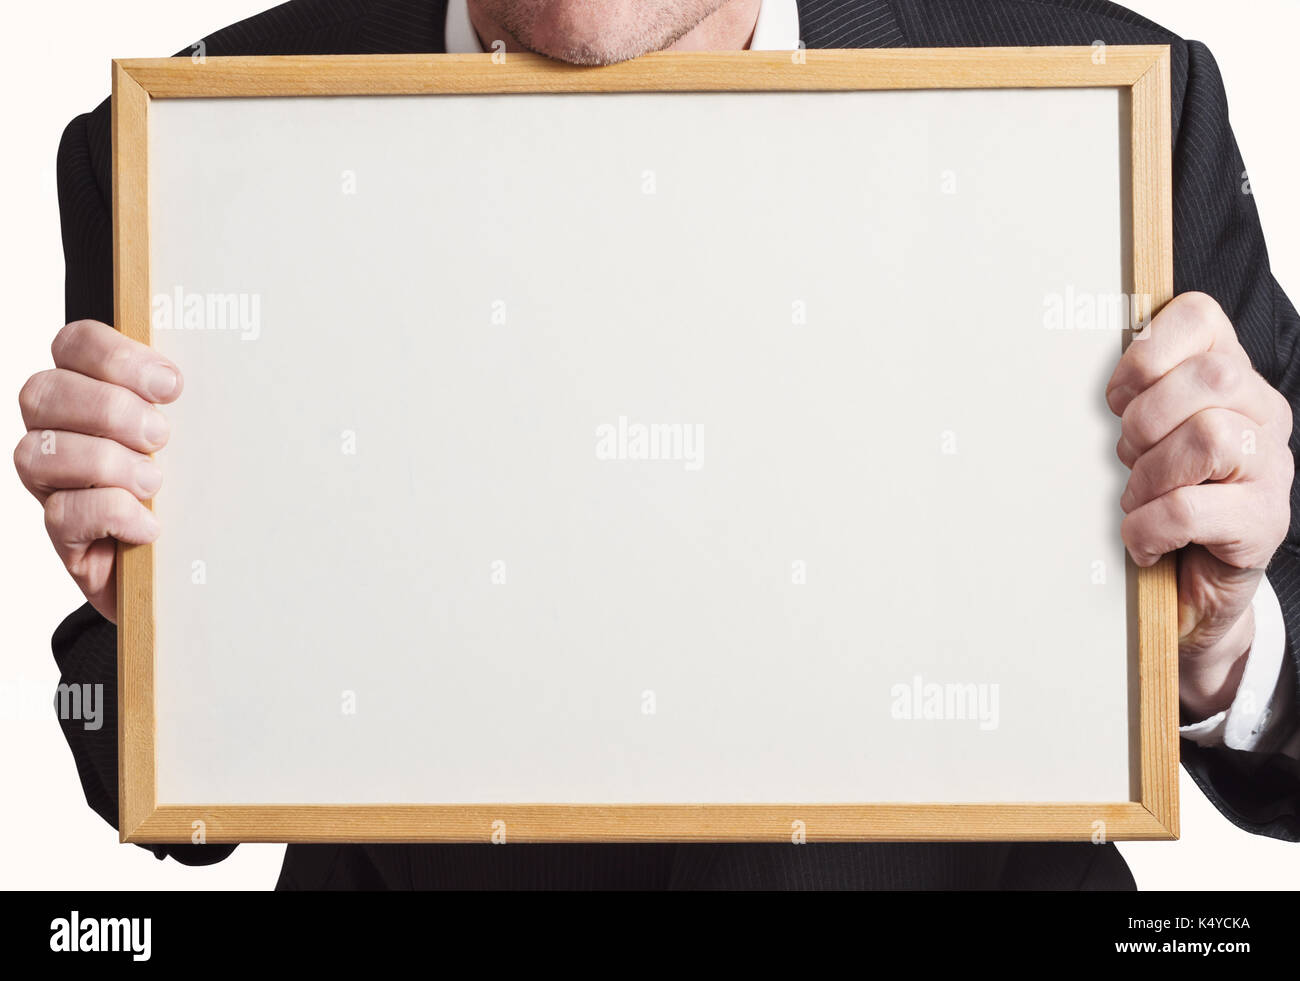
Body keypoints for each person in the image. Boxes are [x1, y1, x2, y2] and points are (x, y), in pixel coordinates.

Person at [15, 0, 1300, 889]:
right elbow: (120, 755)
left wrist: (1215, 652)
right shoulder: (184, 146)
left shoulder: (1117, 105)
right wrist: (167, 651)